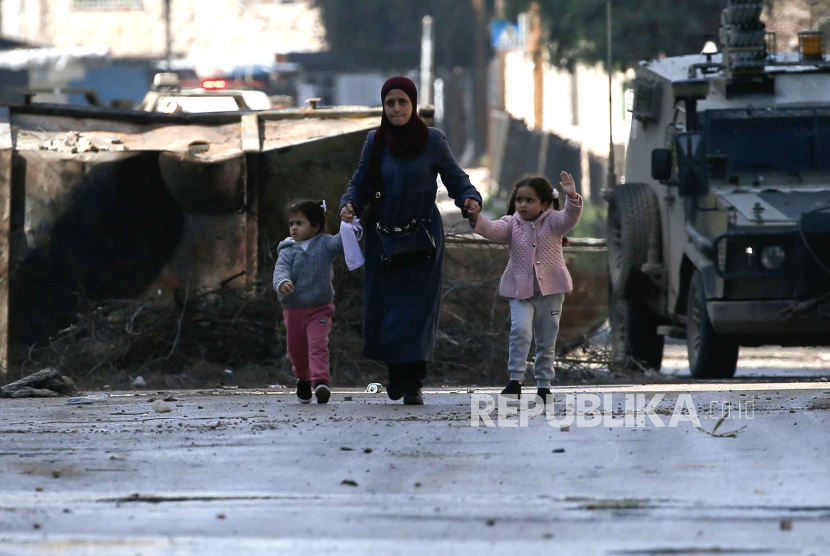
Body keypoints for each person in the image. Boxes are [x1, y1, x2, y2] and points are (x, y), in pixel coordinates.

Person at [339, 76, 482, 405]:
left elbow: (456, 178)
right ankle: (395, 374)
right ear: (383, 106)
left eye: (402, 102)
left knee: (418, 309)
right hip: (383, 236)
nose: (396, 108)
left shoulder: (432, 140)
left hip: (423, 237)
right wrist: (349, 204)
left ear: (413, 104)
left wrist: (470, 200)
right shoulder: (375, 141)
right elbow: (359, 183)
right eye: (390, 103)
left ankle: (414, 382)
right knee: (388, 307)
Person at [467, 173, 582, 402]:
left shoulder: (554, 222)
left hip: (551, 292)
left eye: (529, 200)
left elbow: (570, 216)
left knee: (546, 339)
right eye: (519, 200)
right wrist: (475, 217)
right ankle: (515, 381)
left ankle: (543, 386)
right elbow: (490, 229)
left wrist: (572, 196)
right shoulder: (511, 224)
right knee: (520, 331)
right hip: (521, 292)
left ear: (544, 203)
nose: (523, 205)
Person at [273, 200, 343, 404]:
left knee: (318, 345)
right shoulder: (287, 249)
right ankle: (304, 378)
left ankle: (321, 382)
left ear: (315, 226)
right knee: (296, 350)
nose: (294, 228)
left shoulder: (325, 244)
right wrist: (282, 282)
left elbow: (342, 242)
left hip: (319, 308)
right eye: (291, 223)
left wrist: (349, 224)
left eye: (299, 223)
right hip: (293, 309)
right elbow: (280, 270)